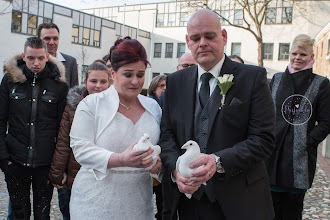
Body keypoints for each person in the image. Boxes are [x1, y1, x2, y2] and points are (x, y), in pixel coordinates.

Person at [159, 9, 275, 220]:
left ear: (223, 37)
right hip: (191, 202)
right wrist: (177, 170)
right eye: (195, 38)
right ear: (188, 41)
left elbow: (264, 139)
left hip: (241, 201)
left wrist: (218, 161)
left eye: (209, 36)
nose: (202, 43)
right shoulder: (175, 82)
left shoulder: (253, 78)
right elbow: (167, 135)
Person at [69, 37, 162, 220]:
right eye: (128, 74)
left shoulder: (153, 108)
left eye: (140, 74)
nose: (135, 81)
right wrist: (120, 159)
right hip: (95, 203)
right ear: (113, 73)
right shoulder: (91, 104)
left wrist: (158, 166)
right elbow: (81, 149)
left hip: (138, 203)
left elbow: (161, 148)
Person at [0, 37, 68, 219]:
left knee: (42, 214)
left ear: (47, 56)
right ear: (24, 56)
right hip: (15, 161)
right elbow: (1, 120)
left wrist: (59, 165)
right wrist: (4, 158)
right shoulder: (10, 81)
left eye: (40, 58)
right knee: (18, 213)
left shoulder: (59, 85)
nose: (35, 63)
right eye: (31, 58)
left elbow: (63, 128)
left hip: (45, 164)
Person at [266, 34, 330, 220]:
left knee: (292, 211)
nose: (297, 58)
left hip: (298, 161)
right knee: (269, 211)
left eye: (303, 54)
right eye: (294, 53)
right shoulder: (276, 79)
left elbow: (326, 122)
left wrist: (307, 141)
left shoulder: (321, 84)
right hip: (272, 156)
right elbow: (266, 113)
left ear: (311, 57)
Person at [48, 62, 111, 217]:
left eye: (103, 81)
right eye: (93, 81)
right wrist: (57, 173)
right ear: (85, 82)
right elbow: (63, 142)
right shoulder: (73, 107)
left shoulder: (114, 107)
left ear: (110, 82)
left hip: (103, 174)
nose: (98, 86)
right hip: (75, 172)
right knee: (70, 212)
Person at [38, 23, 79, 88]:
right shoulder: (31, 63)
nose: (51, 42)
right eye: (47, 38)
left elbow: (74, 92)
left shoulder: (70, 62)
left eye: (55, 38)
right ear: (39, 40)